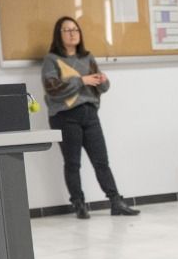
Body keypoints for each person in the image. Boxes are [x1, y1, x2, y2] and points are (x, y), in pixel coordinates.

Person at [41, 16, 137, 219]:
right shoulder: (51, 59)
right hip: (65, 116)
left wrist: (103, 81)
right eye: (67, 30)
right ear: (59, 35)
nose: (72, 33)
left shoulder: (88, 57)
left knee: (101, 161)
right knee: (73, 163)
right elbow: (53, 89)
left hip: (90, 114)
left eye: (75, 29)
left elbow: (102, 88)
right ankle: (79, 204)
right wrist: (81, 80)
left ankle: (115, 202)